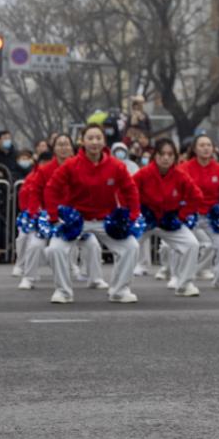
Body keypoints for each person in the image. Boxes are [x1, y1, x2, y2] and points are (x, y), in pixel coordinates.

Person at [43, 124, 141, 304]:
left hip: (106, 220)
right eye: (90, 138)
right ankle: (63, 291)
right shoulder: (71, 165)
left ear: (104, 141)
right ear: (82, 141)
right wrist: (54, 217)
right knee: (55, 249)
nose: (94, 142)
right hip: (76, 221)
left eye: (98, 138)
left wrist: (133, 215)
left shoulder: (116, 166)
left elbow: (130, 189)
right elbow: (51, 188)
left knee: (131, 247)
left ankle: (119, 290)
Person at [14, 136, 102, 291]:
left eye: (66, 144)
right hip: (50, 217)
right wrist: (34, 213)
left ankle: (95, 278)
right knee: (35, 245)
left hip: (74, 217)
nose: (63, 148)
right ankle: (28, 278)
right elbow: (35, 191)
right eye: (60, 145)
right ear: (54, 149)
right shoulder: (44, 170)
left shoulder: (81, 168)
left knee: (92, 244)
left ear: (72, 148)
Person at [134, 139, 204, 297]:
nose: (166, 158)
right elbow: (128, 191)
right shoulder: (144, 173)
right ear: (155, 156)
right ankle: (119, 288)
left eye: (170, 154)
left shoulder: (181, 176)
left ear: (175, 157)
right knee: (128, 246)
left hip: (169, 221)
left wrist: (181, 215)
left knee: (192, 244)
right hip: (145, 221)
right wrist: (135, 213)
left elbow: (197, 197)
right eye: (162, 154)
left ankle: (185, 284)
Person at [180, 134, 219, 289]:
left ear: (213, 148)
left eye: (208, 145)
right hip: (190, 215)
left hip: (211, 217)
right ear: (194, 149)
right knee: (178, 243)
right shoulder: (185, 168)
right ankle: (177, 276)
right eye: (202, 145)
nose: (206, 148)